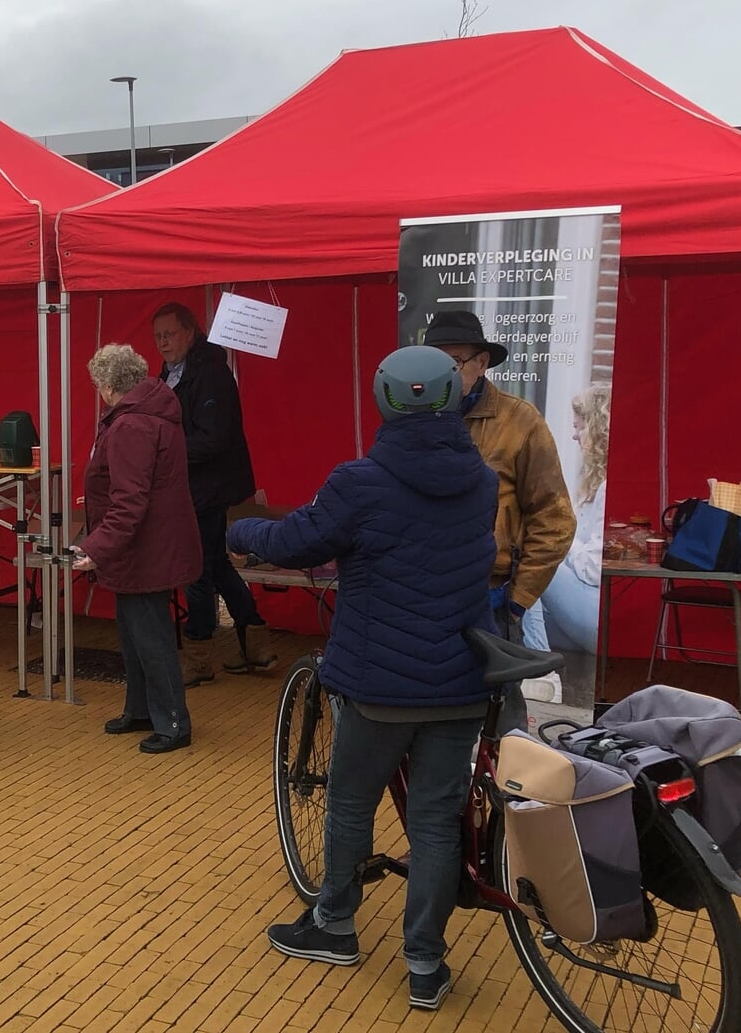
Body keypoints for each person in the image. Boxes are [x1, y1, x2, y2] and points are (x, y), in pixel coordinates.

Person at [228, 345, 498, 1012]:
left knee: (349, 803)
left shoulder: (361, 479)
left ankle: (334, 925)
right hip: (461, 681)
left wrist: (243, 532)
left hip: (379, 684)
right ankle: (425, 965)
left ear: (383, 400)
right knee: (435, 822)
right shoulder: (482, 478)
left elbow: (298, 541)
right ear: (447, 399)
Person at [74, 344, 202, 754]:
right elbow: (133, 486)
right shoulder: (150, 415)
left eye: (98, 384)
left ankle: (173, 723)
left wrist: (96, 547)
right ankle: (143, 710)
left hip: (144, 548)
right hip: (147, 544)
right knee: (135, 635)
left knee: (150, 638)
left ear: (110, 385)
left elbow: (131, 500)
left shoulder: (132, 425)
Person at [420, 309, 574, 650]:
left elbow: (555, 518)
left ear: (483, 362)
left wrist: (517, 601)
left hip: (490, 597)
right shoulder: (410, 415)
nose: (444, 373)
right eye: (435, 361)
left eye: (456, 361)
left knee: (496, 702)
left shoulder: (521, 420)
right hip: (421, 593)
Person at [149, 302, 274, 686]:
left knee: (196, 570)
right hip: (191, 486)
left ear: (190, 332)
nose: (163, 343)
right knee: (216, 564)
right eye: (157, 337)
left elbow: (214, 439)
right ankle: (256, 642)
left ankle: (200, 655)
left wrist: (162, 450)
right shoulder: (171, 371)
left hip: (207, 487)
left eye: (169, 334)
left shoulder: (211, 373)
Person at [541, 384, 610, 654]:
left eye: (579, 427)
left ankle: (541, 675)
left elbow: (593, 569)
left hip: (595, 611)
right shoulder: (595, 484)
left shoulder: (607, 487)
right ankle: (539, 670)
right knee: (518, 620)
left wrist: (562, 537)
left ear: (597, 430)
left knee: (530, 558)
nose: (573, 436)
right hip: (585, 607)